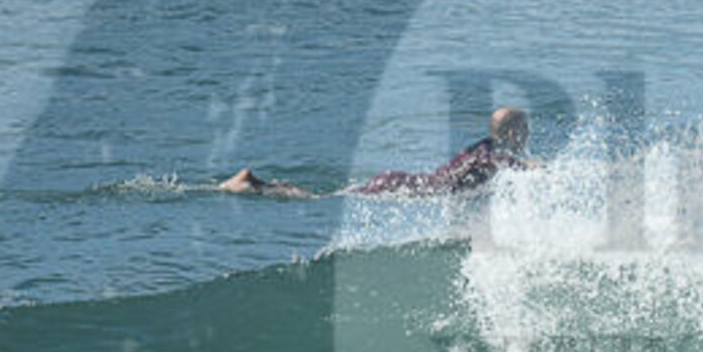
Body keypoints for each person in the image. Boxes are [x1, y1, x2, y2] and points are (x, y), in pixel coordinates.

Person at [218, 106, 531, 197]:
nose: (527, 134)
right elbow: (494, 162)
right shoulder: (489, 152)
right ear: (512, 132)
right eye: (525, 128)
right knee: (319, 198)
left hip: (400, 181)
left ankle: (256, 183)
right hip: (401, 185)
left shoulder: (483, 145)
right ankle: (253, 185)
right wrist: (528, 167)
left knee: (325, 195)